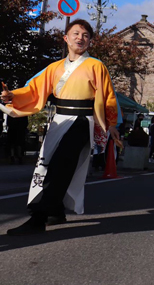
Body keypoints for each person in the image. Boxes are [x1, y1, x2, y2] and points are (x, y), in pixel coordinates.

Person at [1, 19, 120, 235]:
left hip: (82, 121)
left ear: (90, 41)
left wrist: (111, 124)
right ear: (66, 38)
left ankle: (39, 218)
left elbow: (108, 96)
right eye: (75, 34)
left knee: (59, 167)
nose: (80, 38)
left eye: (85, 35)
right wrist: (12, 96)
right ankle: (55, 211)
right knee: (48, 166)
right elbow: (34, 89)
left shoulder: (96, 66)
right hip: (59, 120)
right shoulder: (54, 68)